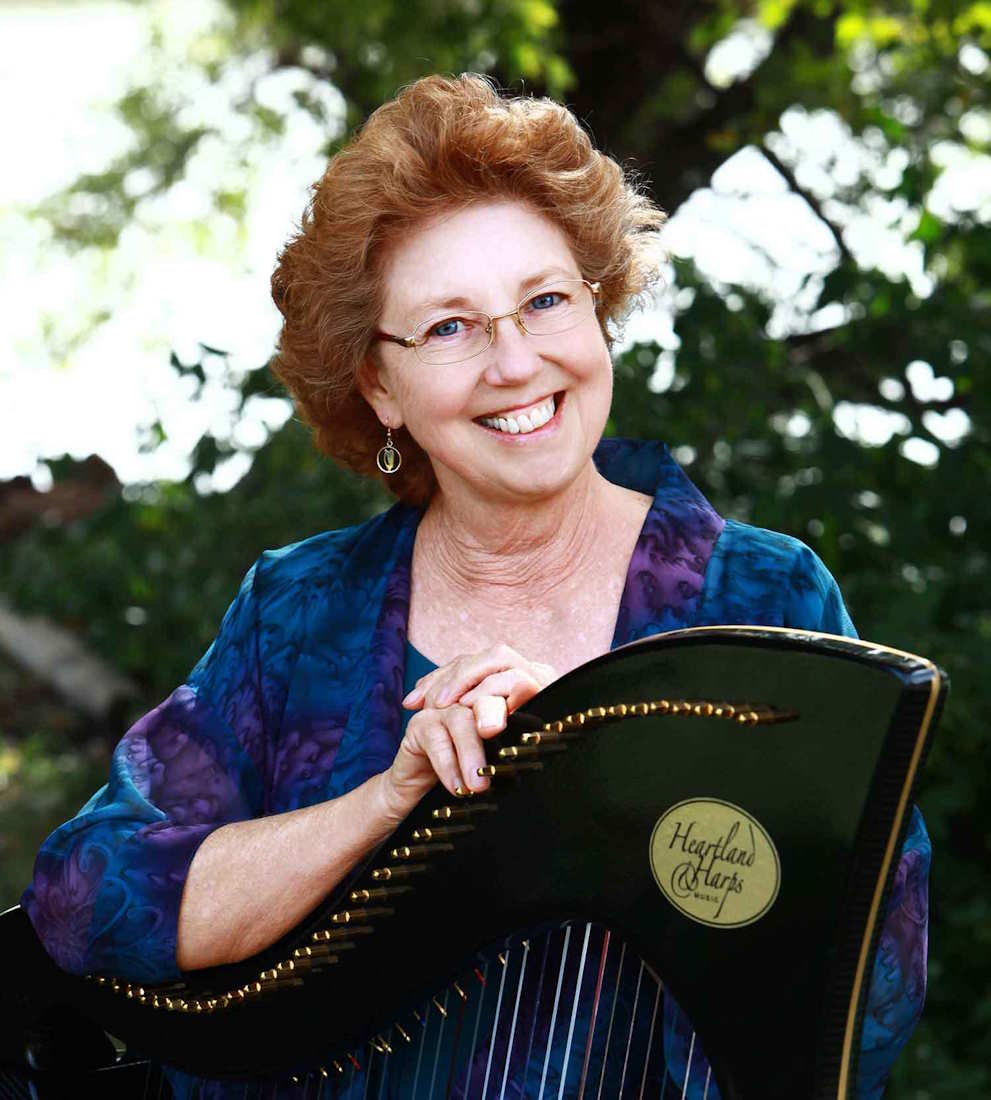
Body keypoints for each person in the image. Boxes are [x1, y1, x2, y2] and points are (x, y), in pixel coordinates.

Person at [22, 74, 930, 1098]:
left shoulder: (762, 598)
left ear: (598, 309)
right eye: (449, 327)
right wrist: (387, 804)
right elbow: (86, 899)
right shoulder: (299, 612)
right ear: (379, 384)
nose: (515, 362)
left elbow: (874, 978)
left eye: (545, 301)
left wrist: (610, 795)